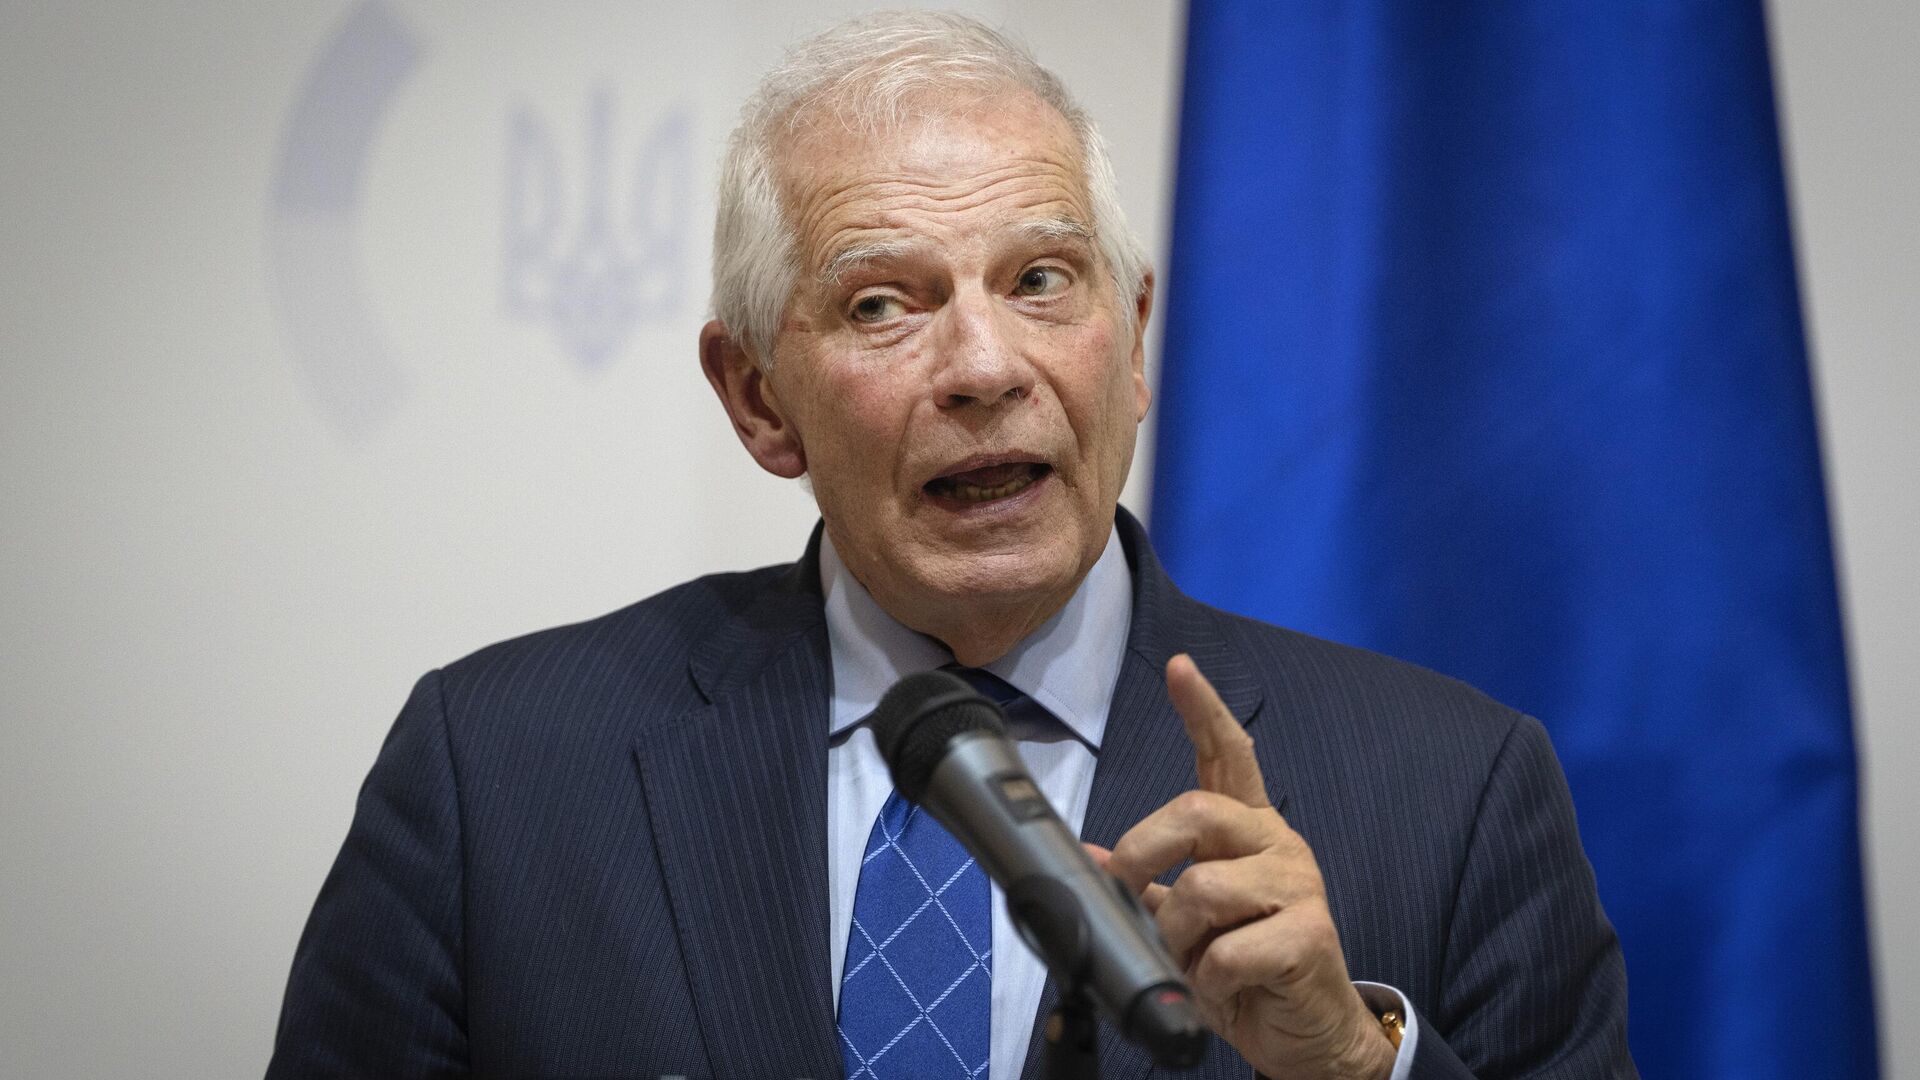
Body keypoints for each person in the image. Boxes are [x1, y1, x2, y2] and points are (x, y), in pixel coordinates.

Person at [267, 12, 1634, 1080]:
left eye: (1040, 280)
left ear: (1133, 339)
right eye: (883, 303)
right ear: (757, 398)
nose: (985, 366)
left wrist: (1349, 1062)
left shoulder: (1454, 793)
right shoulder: (496, 772)